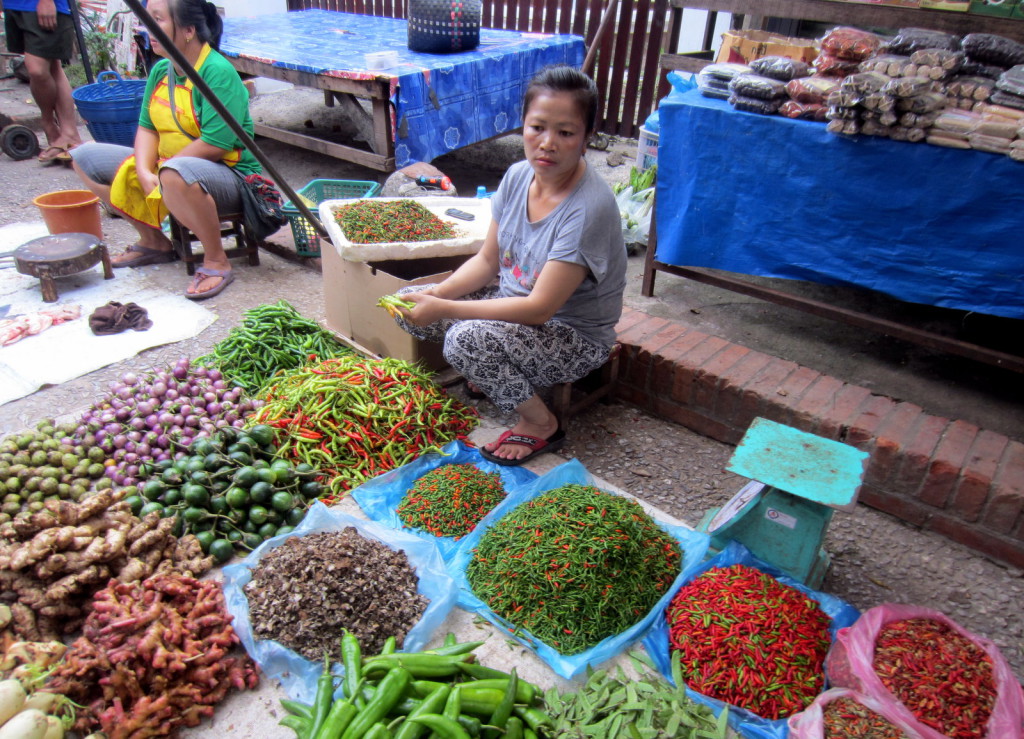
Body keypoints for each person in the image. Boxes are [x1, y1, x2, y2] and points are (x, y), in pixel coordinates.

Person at [392, 66, 626, 466]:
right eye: (537, 127)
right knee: (405, 305)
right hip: (513, 305)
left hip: (572, 336)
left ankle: (539, 422)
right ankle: (493, 371)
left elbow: (539, 309)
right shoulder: (519, 176)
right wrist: (437, 294)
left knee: (463, 339)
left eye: (566, 133)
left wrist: (447, 308)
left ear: (587, 139)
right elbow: (486, 261)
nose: (547, 144)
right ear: (523, 126)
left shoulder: (588, 209)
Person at [70, 0, 260, 300]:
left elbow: (216, 143)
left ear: (188, 30)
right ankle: (153, 241)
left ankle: (215, 259)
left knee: (175, 173)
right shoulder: (162, 70)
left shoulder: (217, 72)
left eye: (157, 19)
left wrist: (162, 171)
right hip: (171, 170)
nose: (148, 30)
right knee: (84, 157)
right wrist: (145, 171)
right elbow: (147, 128)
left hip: (231, 178)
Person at [2, 0, 83, 162]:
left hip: (41, 5)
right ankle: (68, 134)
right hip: (15, 5)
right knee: (52, 66)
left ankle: (49, 123)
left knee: (37, 69)